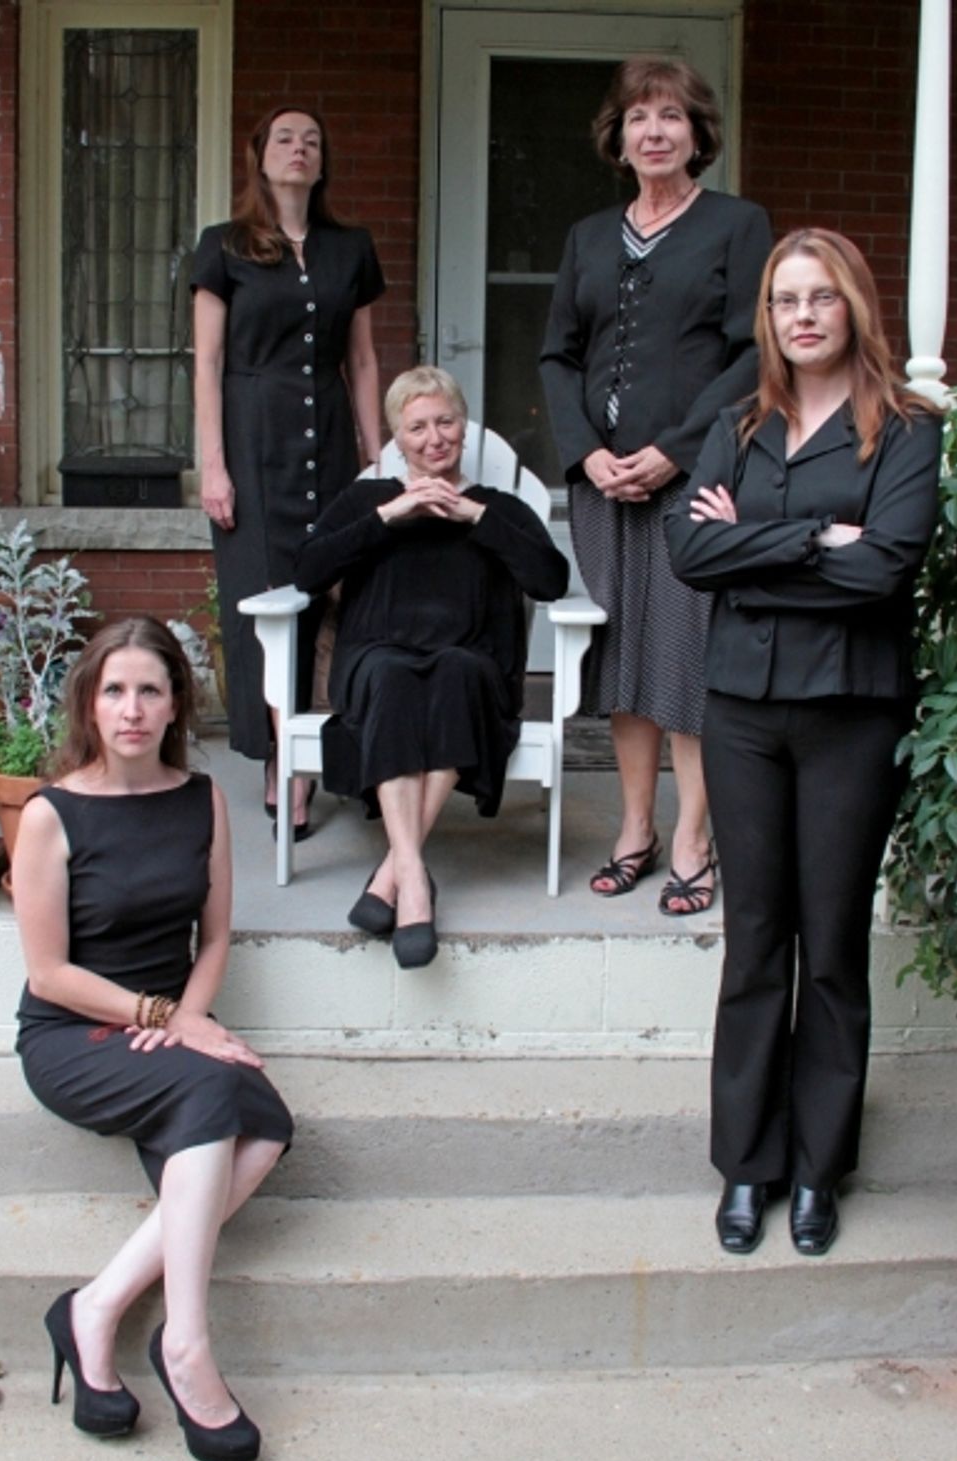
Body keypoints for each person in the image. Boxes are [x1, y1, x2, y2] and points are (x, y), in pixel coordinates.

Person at [664, 229, 944, 1257]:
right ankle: (748, 1165)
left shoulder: (904, 428)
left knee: (830, 949)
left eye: (822, 297)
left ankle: (820, 1170)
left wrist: (758, 545)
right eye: (786, 300)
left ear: (855, 306)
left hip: (851, 715)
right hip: (742, 709)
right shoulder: (739, 423)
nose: (804, 316)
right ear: (768, 317)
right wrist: (818, 536)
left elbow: (886, 571)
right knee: (755, 943)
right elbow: (693, 551)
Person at [11, 617, 293, 1461]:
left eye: (150, 690)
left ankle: (95, 1307)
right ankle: (187, 1347)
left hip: (161, 1026)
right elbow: (49, 973)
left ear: (176, 705)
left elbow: (212, 939)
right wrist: (164, 1018)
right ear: (90, 705)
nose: (131, 709)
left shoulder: (201, 799)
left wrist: (190, 1014)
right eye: (114, 690)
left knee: (271, 1122)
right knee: (218, 1095)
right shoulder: (48, 815)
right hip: (73, 1032)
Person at [540, 55, 771, 914]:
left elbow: (755, 352)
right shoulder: (589, 238)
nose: (654, 131)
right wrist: (585, 454)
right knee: (623, 664)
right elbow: (558, 354)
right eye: (640, 117)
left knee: (683, 660)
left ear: (697, 133)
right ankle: (635, 826)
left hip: (693, 479)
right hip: (606, 487)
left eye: (671, 116)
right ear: (619, 136)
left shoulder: (737, 226)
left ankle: (693, 837)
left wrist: (676, 449)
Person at [294, 367, 569, 969]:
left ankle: (394, 874)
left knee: (455, 676)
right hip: (377, 655)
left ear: (464, 427)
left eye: (445, 421)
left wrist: (474, 518)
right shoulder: (370, 500)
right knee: (394, 679)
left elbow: (550, 580)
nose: (434, 438)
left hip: (472, 659)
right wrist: (390, 516)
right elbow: (307, 570)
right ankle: (415, 880)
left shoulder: (498, 506)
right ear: (396, 437)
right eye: (417, 427)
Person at [192, 104, 385, 841]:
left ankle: (331, 749)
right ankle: (283, 763)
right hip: (253, 440)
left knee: (334, 598)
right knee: (266, 604)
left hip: (331, 438)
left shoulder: (350, 248)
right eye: (284, 138)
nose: (299, 149)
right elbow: (206, 362)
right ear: (259, 156)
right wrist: (214, 462)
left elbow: (362, 360)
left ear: (322, 159)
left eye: (312, 138)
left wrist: (379, 456)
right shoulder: (225, 247)